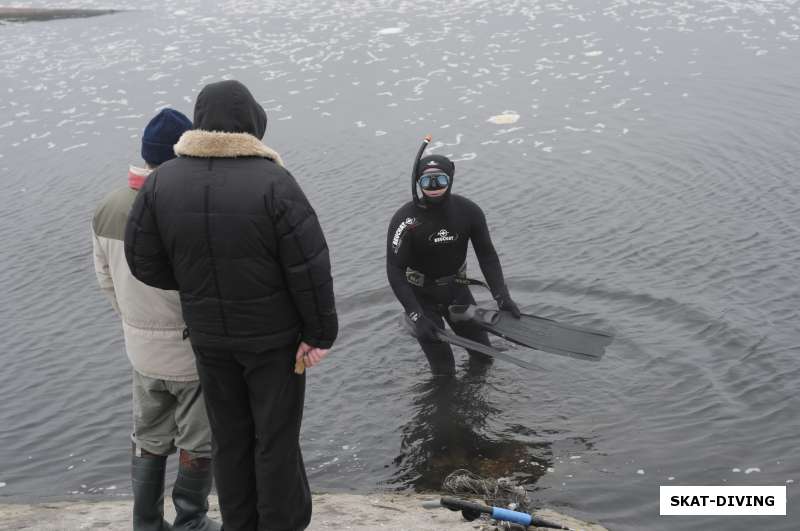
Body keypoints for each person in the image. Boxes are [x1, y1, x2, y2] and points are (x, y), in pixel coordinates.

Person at [124, 80, 338, 531]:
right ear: (251, 122)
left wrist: (193, 284)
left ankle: (239, 524)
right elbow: (309, 266)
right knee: (274, 438)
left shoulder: (162, 182)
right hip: (272, 341)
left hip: (208, 338)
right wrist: (319, 334)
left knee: (229, 437)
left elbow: (143, 261)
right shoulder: (274, 182)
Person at [92, 108, 220, 531]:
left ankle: (146, 521)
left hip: (140, 349)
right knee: (197, 441)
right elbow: (199, 287)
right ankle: (191, 520)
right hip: (186, 351)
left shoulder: (107, 207)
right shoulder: (181, 208)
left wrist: (134, 321)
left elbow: (105, 280)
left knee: (147, 436)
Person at [386, 148, 520, 377]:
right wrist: (416, 315)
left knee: (484, 358)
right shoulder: (405, 220)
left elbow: (487, 256)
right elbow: (394, 270)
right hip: (421, 299)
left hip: (458, 293)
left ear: (451, 178)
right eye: (427, 181)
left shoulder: (469, 212)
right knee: (443, 370)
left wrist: (502, 297)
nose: (434, 187)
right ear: (418, 182)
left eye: (440, 180)